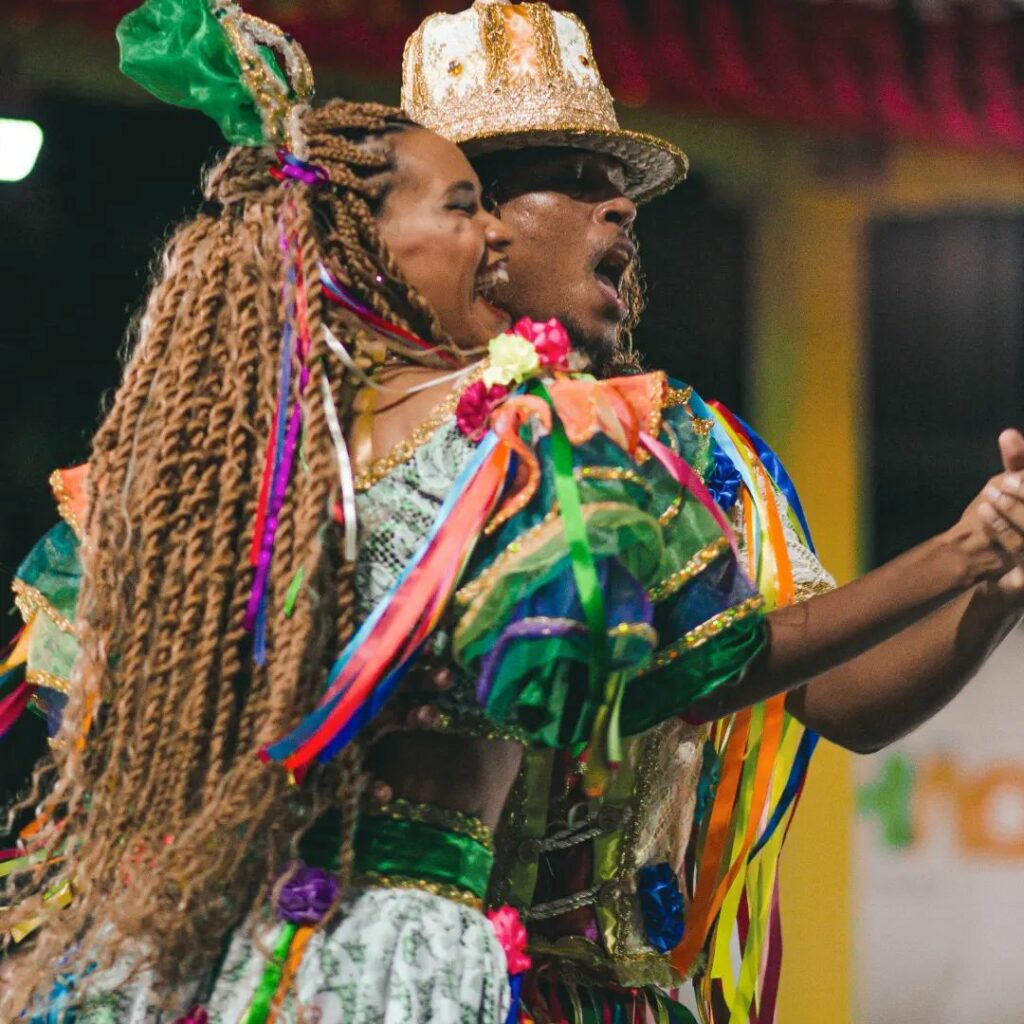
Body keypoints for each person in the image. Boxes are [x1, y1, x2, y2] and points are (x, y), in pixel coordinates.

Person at [0, 2, 774, 1020]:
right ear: (369, 242)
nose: (490, 235)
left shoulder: (526, 440)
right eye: (465, 205)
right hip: (330, 957)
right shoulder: (489, 446)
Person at [399, 2, 1024, 1020]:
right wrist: (955, 552)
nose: (622, 211)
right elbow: (686, 675)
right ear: (479, 224)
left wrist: (994, 587)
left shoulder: (696, 452)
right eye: (578, 174)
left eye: (622, 188)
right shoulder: (382, 443)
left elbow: (836, 698)